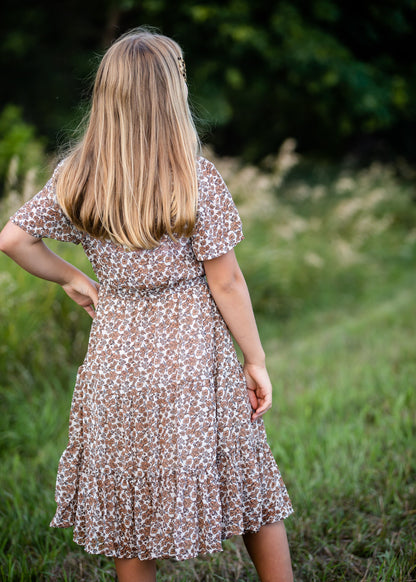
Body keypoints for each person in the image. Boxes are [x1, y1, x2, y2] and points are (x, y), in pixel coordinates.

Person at [0, 28, 293, 582]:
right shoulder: (194, 176)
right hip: (192, 361)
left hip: (117, 362)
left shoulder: (78, 176)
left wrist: (72, 278)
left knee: (128, 501)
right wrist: (254, 360)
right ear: (170, 93)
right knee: (247, 477)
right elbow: (226, 281)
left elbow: (13, 240)